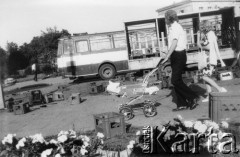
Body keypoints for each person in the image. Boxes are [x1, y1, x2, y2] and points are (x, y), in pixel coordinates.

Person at [157, 10, 199, 111]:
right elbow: (172, 43)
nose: (165, 20)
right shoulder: (172, 28)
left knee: (174, 80)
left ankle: (192, 96)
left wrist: (167, 56)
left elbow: (175, 42)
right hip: (175, 55)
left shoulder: (176, 27)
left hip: (179, 55)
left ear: (169, 18)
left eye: (165, 18)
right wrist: (167, 53)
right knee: (177, 80)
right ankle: (182, 104)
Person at [197, 20, 227, 102]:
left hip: (209, 59)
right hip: (207, 58)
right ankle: (209, 95)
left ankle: (220, 88)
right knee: (206, 77)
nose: (201, 28)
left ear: (204, 26)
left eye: (202, 26)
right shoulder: (209, 34)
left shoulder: (210, 34)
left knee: (204, 77)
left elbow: (209, 47)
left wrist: (201, 45)